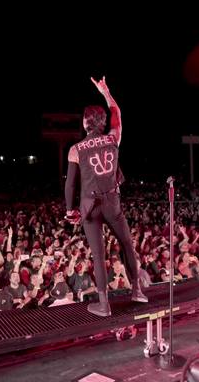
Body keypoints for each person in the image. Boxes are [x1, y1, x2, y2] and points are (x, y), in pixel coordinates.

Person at [64, 76, 148, 316]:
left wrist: (71, 211)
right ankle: (137, 291)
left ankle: (104, 305)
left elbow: (70, 185)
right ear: (101, 122)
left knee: (98, 255)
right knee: (127, 246)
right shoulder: (113, 138)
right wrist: (106, 92)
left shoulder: (75, 149)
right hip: (112, 202)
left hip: (90, 206)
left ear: (85, 123)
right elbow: (117, 113)